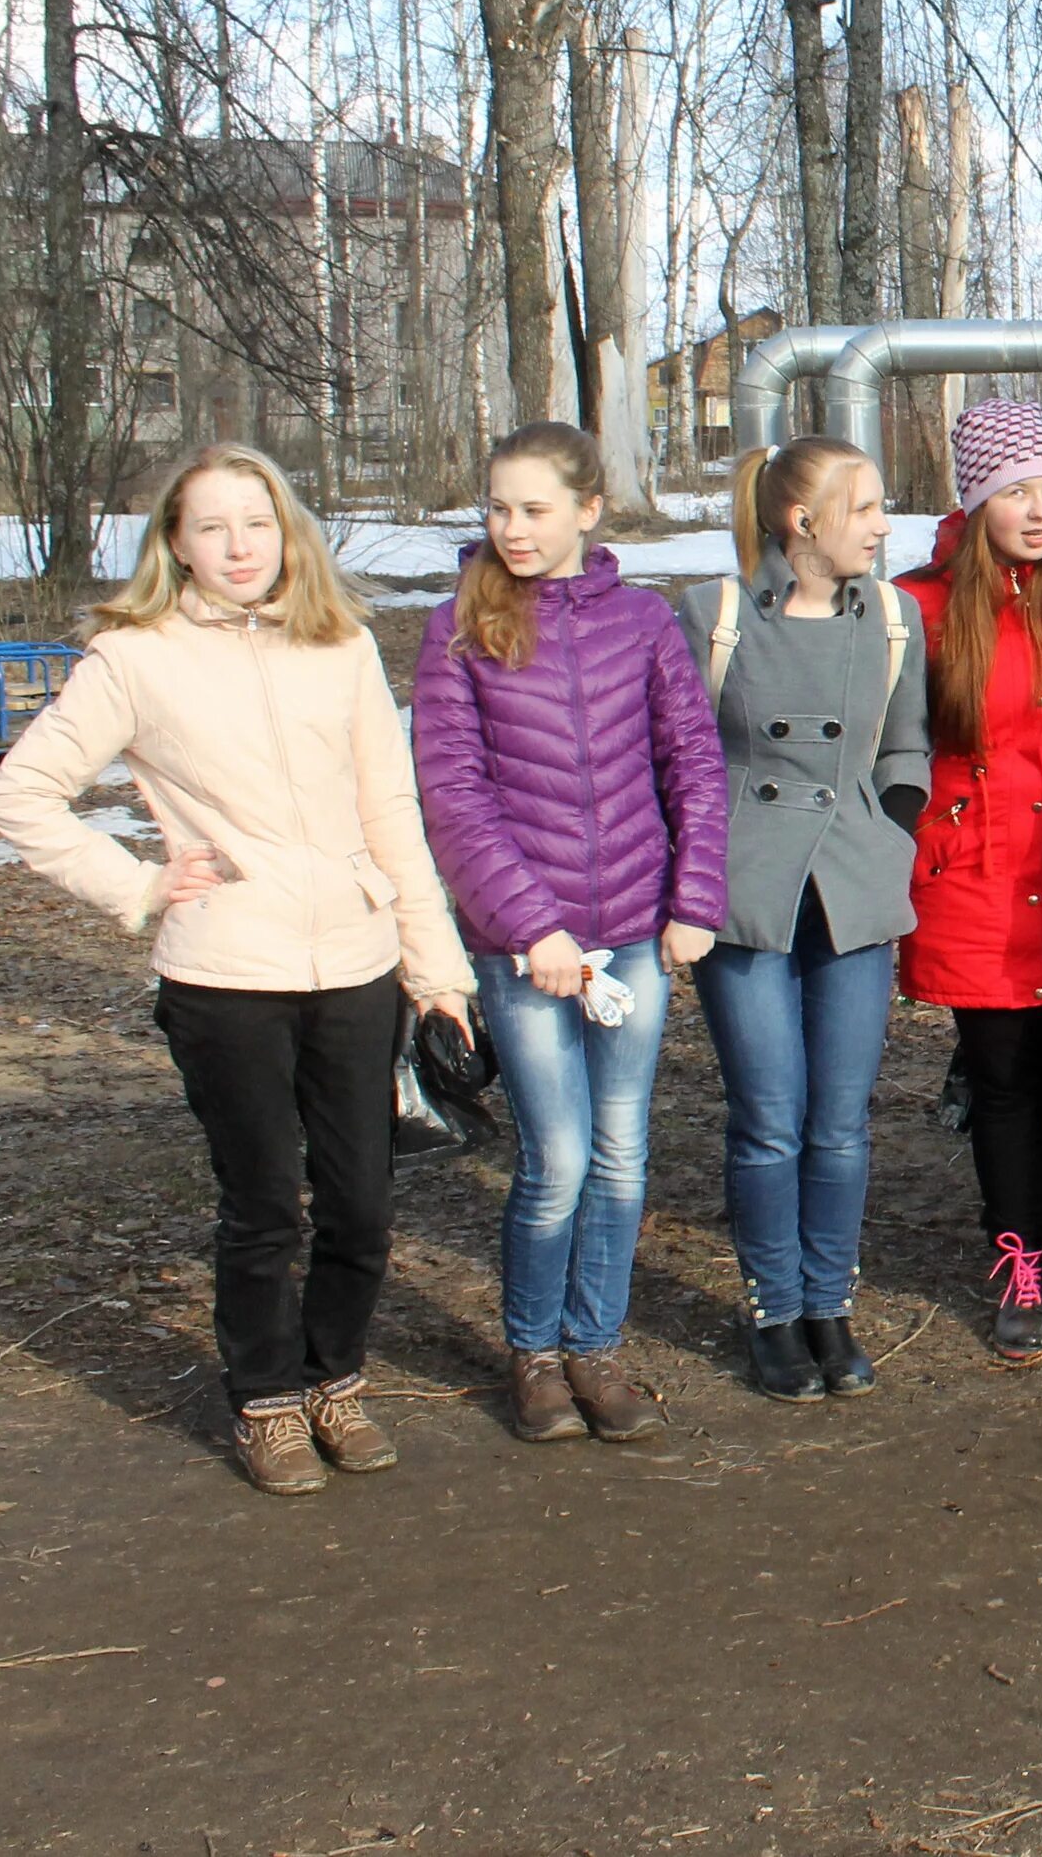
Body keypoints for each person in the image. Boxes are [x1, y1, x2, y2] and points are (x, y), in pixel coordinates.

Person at [0, 445, 473, 1495]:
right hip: (226, 975)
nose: (239, 545)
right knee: (263, 1203)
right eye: (212, 527)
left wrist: (435, 966)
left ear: (286, 527)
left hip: (355, 960)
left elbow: (390, 811)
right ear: (176, 543)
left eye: (256, 521)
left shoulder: (337, 642)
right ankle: (265, 1402)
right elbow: (20, 794)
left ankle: (332, 1375)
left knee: (361, 1201)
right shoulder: (135, 656)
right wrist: (141, 883)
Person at [412, 423, 727, 1445]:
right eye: (497, 507)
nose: (511, 528)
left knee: (623, 1154)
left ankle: (596, 1344)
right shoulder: (460, 626)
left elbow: (693, 765)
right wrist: (528, 925)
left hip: (633, 932)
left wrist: (694, 902)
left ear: (588, 511)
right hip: (528, 947)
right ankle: (535, 1354)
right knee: (555, 1156)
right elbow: (453, 795)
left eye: (533, 508)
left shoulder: (641, 622)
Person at [682, 435, 929, 1404]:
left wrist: (891, 835)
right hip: (748, 898)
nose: (879, 525)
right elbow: (683, 754)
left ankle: (831, 1304)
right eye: (864, 507)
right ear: (803, 521)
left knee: (840, 1126)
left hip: (854, 894)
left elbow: (906, 745)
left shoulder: (895, 618)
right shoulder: (714, 615)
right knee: (769, 1123)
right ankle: (774, 1310)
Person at [894, 400, 1042, 1361]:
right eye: (1013, 491)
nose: (1037, 509)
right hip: (975, 882)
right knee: (1003, 1081)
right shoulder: (922, 606)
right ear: (975, 498)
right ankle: (1019, 1251)